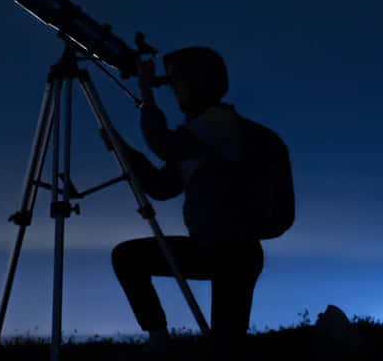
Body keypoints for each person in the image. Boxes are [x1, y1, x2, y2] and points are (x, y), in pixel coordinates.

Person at [107, 46, 269, 358]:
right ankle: (158, 342)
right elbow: (162, 187)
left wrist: (145, 95)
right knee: (128, 257)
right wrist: (123, 150)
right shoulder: (196, 135)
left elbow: (163, 145)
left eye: (176, 82)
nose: (173, 90)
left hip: (235, 252)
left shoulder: (219, 123)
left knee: (226, 347)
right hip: (209, 248)